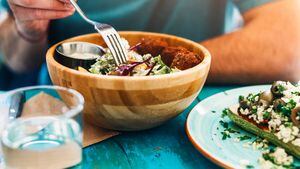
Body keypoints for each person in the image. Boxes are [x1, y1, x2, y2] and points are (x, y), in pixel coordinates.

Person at [0, 0, 299, 90]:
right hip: (63, 110)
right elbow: (15, 60)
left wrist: (161, 74)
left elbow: (287, 46)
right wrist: (29, 29)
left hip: (187, 112)